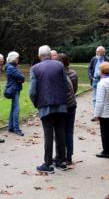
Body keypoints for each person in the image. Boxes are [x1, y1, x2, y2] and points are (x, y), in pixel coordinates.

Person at [29, 45, 71, 173]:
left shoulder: (35, 68)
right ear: (49, 54)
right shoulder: (59, 65)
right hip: (61, 104)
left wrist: (36, 103)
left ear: (39, 56)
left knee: (48, 134)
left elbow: (32, 91)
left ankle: (48, 164)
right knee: (60, 133)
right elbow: (66, 84)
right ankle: (61, 161)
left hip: (45, 105)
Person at [93, 62, 109, 158]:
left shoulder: (102, 84)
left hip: (104, 111)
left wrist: (96, 115)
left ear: (101, 71)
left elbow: (99, 101)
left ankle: (105, 151)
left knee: (104, 131)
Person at [58, 53, 78, 164]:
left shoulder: (58, 74)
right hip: (71, 104)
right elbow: (74, 90)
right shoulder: (73, 73)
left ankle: (61, 155)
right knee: (69, 131)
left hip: (62, 105)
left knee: (61, 131)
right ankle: (69, 156)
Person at [5, 51, 25, 136]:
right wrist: (20, 78)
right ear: (13, 59)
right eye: (17, 58)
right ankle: (16, 129)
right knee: (16, 109)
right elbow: (21, 77)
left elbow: (21, 78)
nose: (18, 59)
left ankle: (11, 127)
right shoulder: (11, 68)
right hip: (14, 89)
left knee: (13, 108)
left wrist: (20, 78)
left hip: (15, 88)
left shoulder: (12, 67)